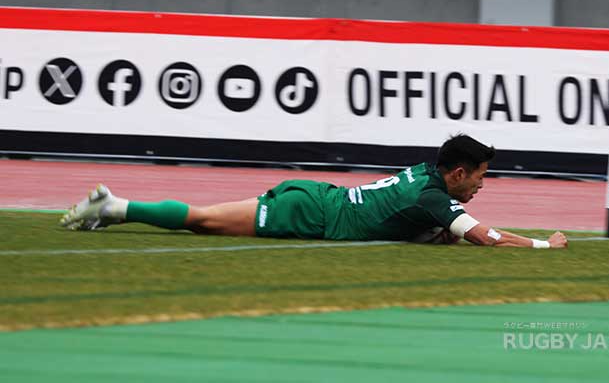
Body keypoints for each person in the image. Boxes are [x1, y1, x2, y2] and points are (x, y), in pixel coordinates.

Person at [60, 134, 568, 249]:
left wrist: (438, 233)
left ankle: (114, 210)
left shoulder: (425, 176)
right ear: (456, 173)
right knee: (204, 220)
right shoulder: (437, 197)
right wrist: (545, 245)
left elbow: (416, 221)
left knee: (206, 218)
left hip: (317, 198)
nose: (482, 183)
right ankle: (116, 205)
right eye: (480, 174)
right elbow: (489, 238)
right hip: (315, 216)